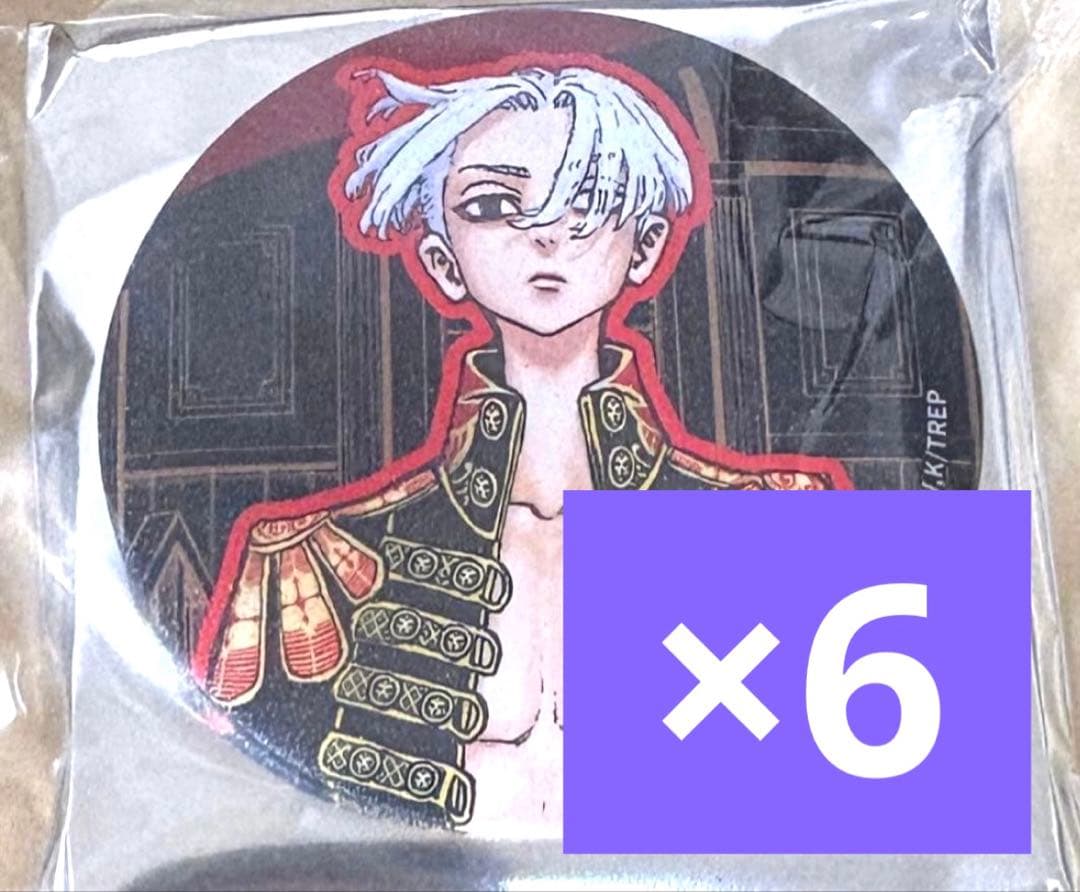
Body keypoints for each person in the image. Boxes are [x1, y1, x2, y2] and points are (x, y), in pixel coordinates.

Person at [193, 56, 851, 836]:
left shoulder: (781, 524)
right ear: (442, 260)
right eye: (493, 204)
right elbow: (223, 815)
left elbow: (873, 798)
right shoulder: (310, 562)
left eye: (591, 197)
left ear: (644, 247)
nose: (546, 233)